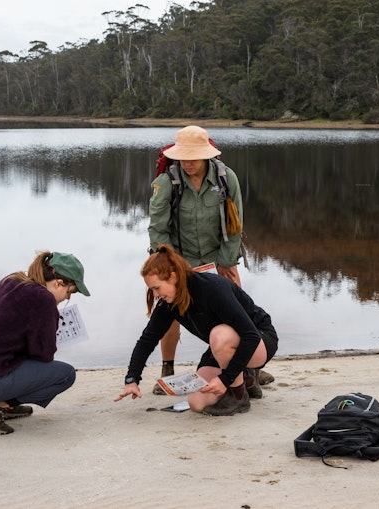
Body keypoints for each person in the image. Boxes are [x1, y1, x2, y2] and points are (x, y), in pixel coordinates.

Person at [147, 125, 261, 394]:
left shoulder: (226, 178)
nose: (187, 163)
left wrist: (226, 261)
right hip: (179, 259)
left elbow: (235, 224)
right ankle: (168, 370)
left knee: (239, 311)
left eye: (193, 157)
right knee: (169, 313)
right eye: (182, 157)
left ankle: (250, 368)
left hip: (218, 256)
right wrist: (171, 265)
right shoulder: (167, 183)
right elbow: (158, 228)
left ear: (207, 156)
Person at [114, 244, 277, 415]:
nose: (155, 295)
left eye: (157, 288)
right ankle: (246, 380)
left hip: (259, 339)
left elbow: (250, 336)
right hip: (223, 347)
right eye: (151, 289)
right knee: (196, 403)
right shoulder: (168, 303)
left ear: (173, 277)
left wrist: (224, 380)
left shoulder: (212, 289)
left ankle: (238, 396)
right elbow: (147, 341)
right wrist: (132, 380)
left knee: (219, 336)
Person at [0, 250, 91, 435]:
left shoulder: (13, 280)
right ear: (58, 283)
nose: (68, 298)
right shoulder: (44, 299)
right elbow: (43, 356)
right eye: (70, 292)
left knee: (19, 360)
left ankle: (2, 403)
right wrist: (50, 326)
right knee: (65, 375)